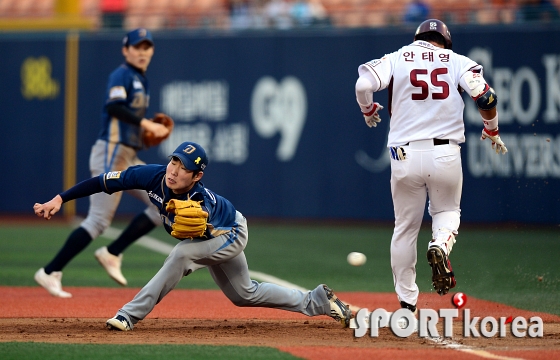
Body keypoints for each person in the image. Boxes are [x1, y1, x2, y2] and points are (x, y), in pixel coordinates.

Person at [33, 141, 353, 330]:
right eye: (173, 160)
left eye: (182, 167)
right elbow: (105, 181)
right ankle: (317, 301)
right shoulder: (154, 175)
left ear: (196, 175)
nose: (173, 169)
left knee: (182, 255)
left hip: (230, 232)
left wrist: (192, 230)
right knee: (244, 294)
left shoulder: (200, 201)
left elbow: (198, 237)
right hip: (213, 238)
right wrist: (60, 198)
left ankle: (128, 315)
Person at [354, 19, 507, 316]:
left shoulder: (398, 57)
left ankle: (407, 302)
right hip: (445, 152)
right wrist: (492, 128)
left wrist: (367, 108)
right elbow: (486, 97)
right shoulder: (457, 61)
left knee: (405, 229)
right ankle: (439, 244)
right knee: (447, 213)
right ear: (445, 41)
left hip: (404, 155)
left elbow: (363, 84)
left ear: (417, 37)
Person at [33, 28, 171, 298]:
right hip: (111, 151)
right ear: (125, 49)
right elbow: (114, 107)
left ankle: (112, 252)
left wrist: (144, 131)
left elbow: (126, 119)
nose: (142, 51)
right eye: (137, 46)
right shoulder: (121, 75)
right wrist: (146, 124)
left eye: (147, 47)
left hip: (126, 153)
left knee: (161, 204)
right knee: (98, 221)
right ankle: (50, 271)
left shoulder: (140, 79)